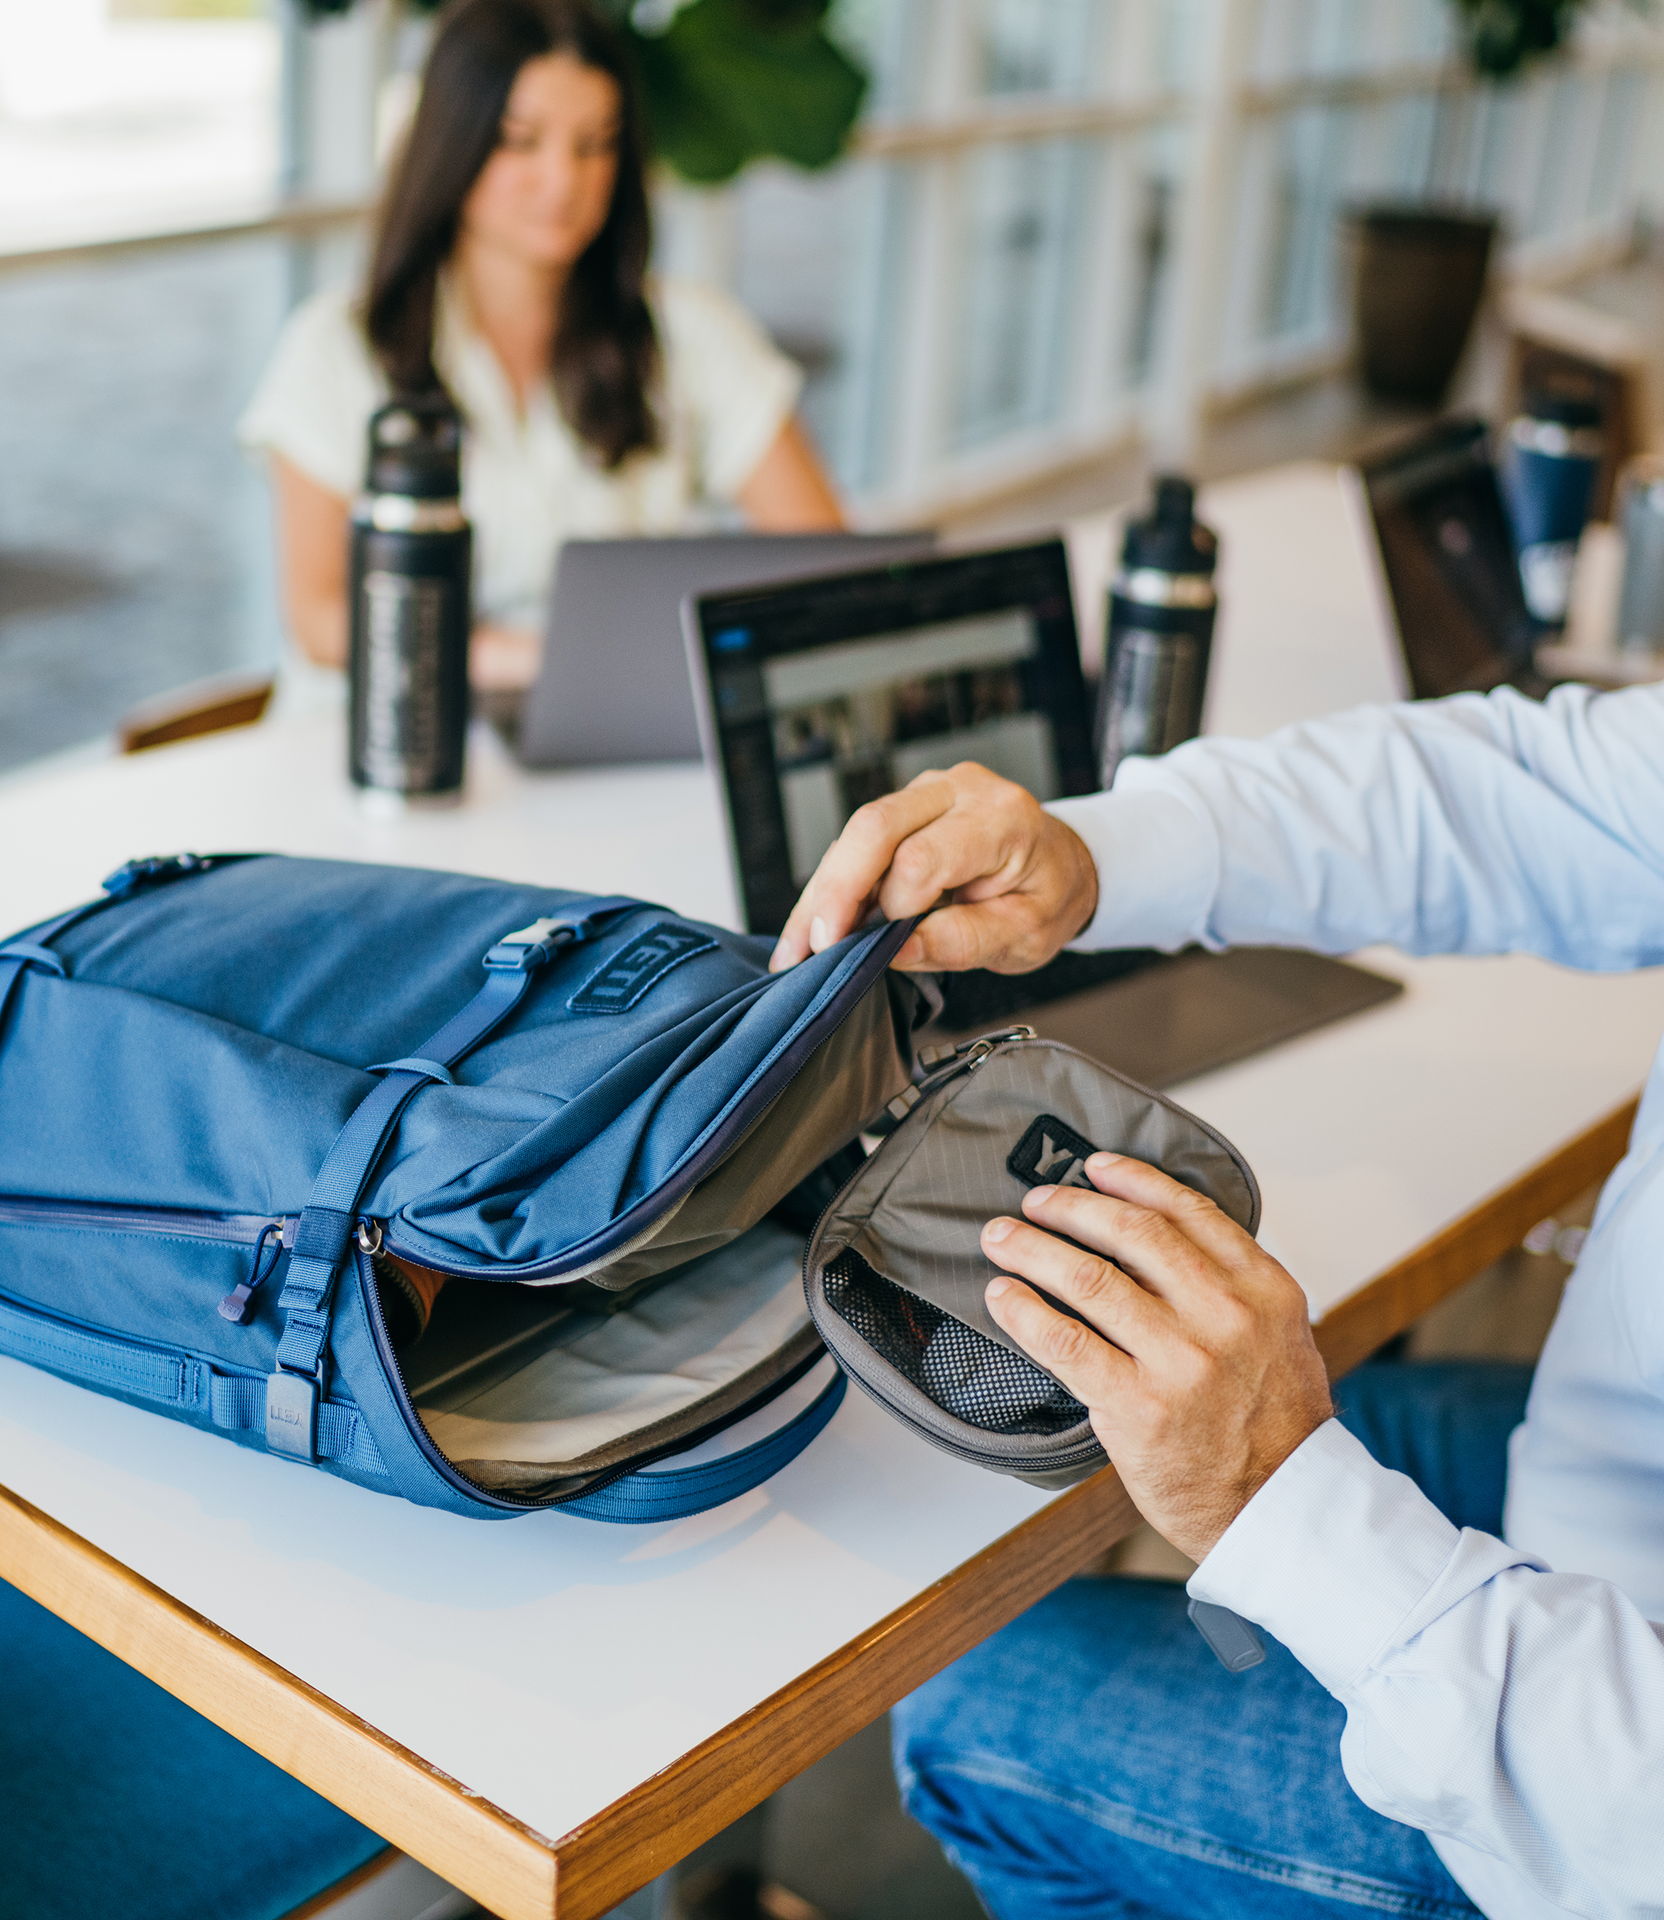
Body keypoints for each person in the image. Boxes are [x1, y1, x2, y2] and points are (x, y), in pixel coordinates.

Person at [770, 683, 1664, 1918]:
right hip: (1623, 1479)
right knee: (1373, 1409)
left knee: (967, 1712)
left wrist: (1291, 1509)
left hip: (1598, 1828)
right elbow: (1526, 795)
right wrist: (1097, 860)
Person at [237, 0, 843, 702]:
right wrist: (541, 660)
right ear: (453, 145)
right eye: (520, 142)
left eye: (596, 145)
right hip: (392, 730)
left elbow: (824, 561)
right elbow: (320, 618)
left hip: (601, 739)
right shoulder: (337, 347)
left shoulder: (692, 333)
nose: (563, 181)